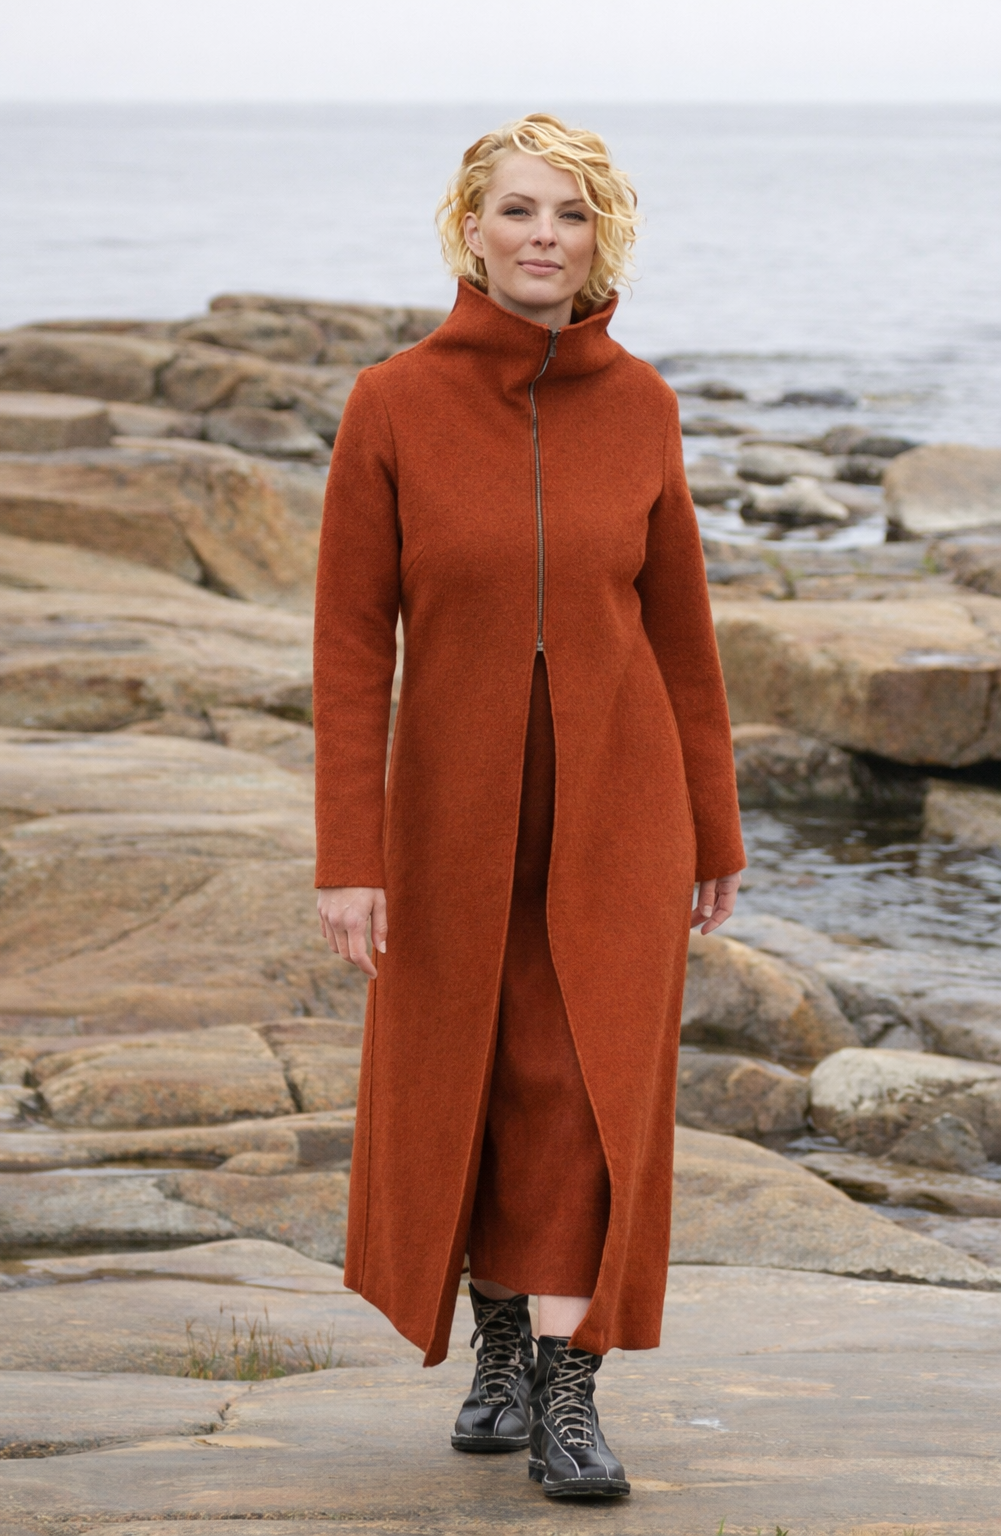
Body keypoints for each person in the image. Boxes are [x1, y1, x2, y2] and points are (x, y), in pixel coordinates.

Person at [313, 114, 745, 1501]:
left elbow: (683, 637)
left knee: (582, 1081)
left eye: (570, 213)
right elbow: (348, 647)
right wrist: (350, 856)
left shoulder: (646, 406)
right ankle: (497, 1340)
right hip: (449, 815)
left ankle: (568, 1384)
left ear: (601, 237)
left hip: (620, 809)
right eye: (518, 210)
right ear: (472, 228)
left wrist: (717, 828)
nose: (543, 235)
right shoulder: (392, 402)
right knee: (475, 1075)